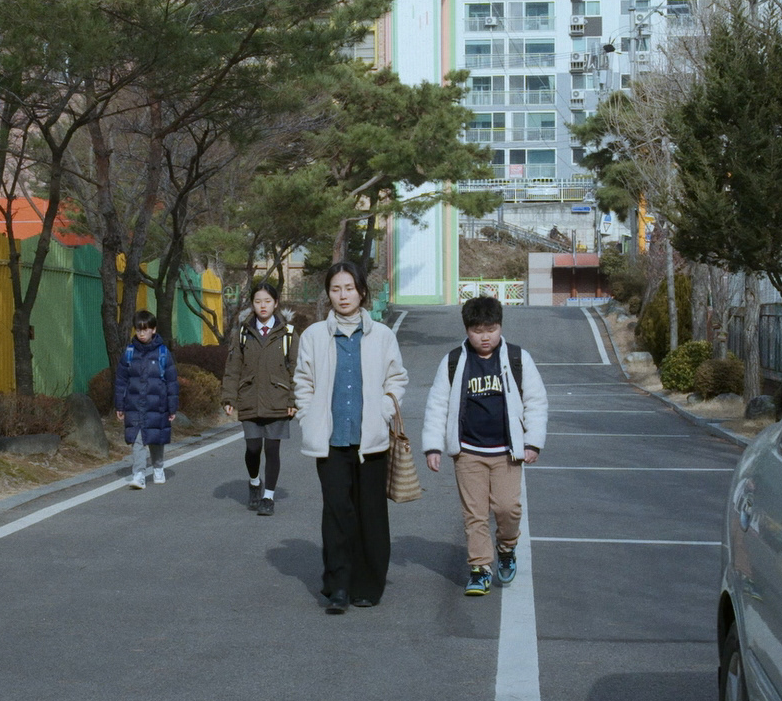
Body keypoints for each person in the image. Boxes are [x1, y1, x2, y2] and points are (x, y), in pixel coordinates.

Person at [293, 260, 408, 613]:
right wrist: (308, 417)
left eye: (349, 288)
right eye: (336, 289)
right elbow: (303, 382)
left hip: (371, 440)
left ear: (361, 292)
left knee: (370, 513)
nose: (343, 295)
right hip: (330, 441)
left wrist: (384, 410)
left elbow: (397, 379)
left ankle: (368, 584)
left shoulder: (382, 336)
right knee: (337, 511)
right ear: (328, 294)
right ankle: (338, 585)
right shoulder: (314, 336)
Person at [421, 295, 549, 596]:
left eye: (491, 329)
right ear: (467, 330)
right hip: (468, 452)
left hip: (507, 452)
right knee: (474, 513)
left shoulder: (517, 358)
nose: (485, 337)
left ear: (500, 327)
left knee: (507, 508)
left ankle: (506, 547)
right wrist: (433, 447)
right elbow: (437, 405)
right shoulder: (454, 361)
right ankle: (480, 568)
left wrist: (532, 442)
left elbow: (536, 401)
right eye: (477, 331)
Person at [222, 279, 298, 516]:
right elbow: (233, 367)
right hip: (250, 398)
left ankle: (268, 497)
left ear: (276, 303)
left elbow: (297, 369)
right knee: (253, 447)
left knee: (272, 449)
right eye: (258, 301)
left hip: (278, 399)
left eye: (267, 301)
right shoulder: (243, 333)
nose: (263, 305)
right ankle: (255, 482)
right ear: (252, 304)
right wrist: (229, 397)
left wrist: (293, 400)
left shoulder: (288, 334)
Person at [113, 310, 178, 490]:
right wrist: (119, 405)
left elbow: (172, 382)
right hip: (135, 405)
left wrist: (172, 407)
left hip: (158, 405)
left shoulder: (163, 353)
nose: (142, 333)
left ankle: (158, 468)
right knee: (138, 439)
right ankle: (139, 474)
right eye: (138, 329)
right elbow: (121, 380)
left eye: (146, 329)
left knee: (156, 438)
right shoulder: (129, 352)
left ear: (153, 330)